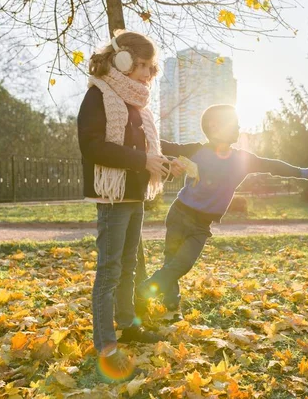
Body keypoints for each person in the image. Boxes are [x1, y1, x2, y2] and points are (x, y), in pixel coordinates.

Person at [77, 30, 200, 378]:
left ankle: (128, 326)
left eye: (152, 67)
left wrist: (166, 160)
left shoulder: (136, 106)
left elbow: (149, 148)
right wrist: (142, 160)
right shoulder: (98, 96)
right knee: (109, 272)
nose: (148, 74)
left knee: (129, 267)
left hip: (134, 194)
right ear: (123, 61)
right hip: (112, 196)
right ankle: (106, 345)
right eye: (143, 66)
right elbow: (92, 146)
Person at [137, 104, 308, 317]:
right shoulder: (195, 150)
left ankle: (147, 288)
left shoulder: (242, 160)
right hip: (179, 214)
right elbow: (164, 147)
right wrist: (136, 136)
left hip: (201, 224)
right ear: (215, 126)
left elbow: (272, 166)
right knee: (172, 260)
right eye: (233, 123)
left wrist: (304, 172)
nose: (238, 126)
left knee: (183, 263)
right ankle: (172, 305)